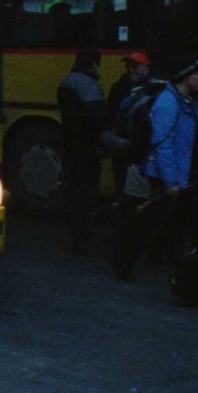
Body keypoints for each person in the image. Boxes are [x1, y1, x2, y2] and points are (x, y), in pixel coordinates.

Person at [146, 58, 198, 265]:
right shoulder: (168, 103)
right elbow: (161, 143)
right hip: (176, 175)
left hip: (188, 173)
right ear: (185, 76)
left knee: (189, 221)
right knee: (175, 221)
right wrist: (171, 180)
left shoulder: (188, 101)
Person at [57, 48, 106, 253]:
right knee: (87, 191)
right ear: (93, 64)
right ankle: (84, 236)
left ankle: (74, 235)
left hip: (71, 142)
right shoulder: (88, 85)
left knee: (75, 189)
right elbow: (97, 117)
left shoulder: (66, 81)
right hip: (88, 145)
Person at [105, 51, 151, 196]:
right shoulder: (124, 87)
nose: (131, 69)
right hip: (128, 142)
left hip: (126, 141)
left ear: (145, 68)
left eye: (135, 66)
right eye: (130, 66)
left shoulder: (120, 87)